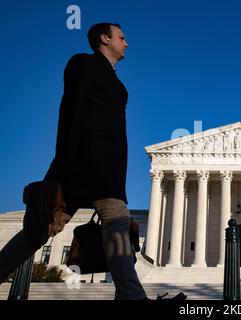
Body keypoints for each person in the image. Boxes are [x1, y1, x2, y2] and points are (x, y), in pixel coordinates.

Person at [0, 23, 148, 300]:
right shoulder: (84, 63)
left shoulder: (114, 78)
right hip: (83, 161)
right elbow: (71, 111)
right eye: (122, 37)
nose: (126, 43)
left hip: (107, 168)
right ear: (105, 39)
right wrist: (66, 159)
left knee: (111, 225)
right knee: (41, 230)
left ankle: (132, 296)